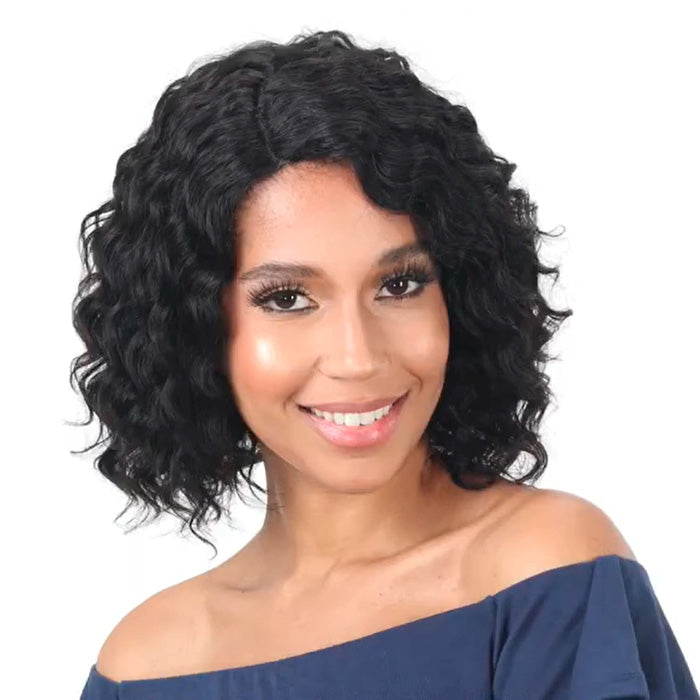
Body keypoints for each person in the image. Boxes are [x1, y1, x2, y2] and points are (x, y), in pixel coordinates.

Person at [73, 29, 698, 700]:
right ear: (195, 328)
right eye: (287, 298)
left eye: (399, 285)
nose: (357, 356)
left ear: (461, 296)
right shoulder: (145, 663)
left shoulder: (546, 570)